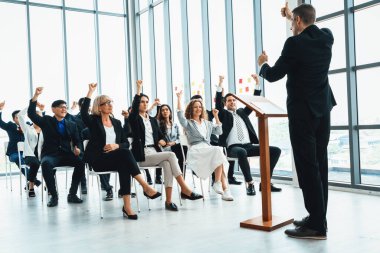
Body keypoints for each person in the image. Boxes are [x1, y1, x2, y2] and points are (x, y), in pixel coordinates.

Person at [258, 3, 336, 239]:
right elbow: (308, 25)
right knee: (319, 165)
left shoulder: (294, 43)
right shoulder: (326, 37)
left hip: (302, 113)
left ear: (299, 22)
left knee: (306, 166)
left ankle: (316, 227)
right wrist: (292, 15)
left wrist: (262, 63)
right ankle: (317, 217)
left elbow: (273, 75)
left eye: (293, 23)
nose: (291, 26)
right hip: (323, 110)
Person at [81, 83, 160, 220]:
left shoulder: (116, 122)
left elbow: (124, 143)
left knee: (124, 164)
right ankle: (145, 186)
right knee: (125, 156)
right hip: (99, 160)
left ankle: (127, 207)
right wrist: (90, 92)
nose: (110, 105)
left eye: (111, 102)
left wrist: (116, 146)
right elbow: (83, 113)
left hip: (115, 158)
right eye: (106, 103)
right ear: (99, 107)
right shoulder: (93, 121)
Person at [129, 80, 203, 212]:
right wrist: (138, 89)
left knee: (168, 165)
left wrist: (162, 140)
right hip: (142, 155)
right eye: (142, 101)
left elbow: (160, 135)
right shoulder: (134, 118)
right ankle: (184, 188)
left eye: (146, 101)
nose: (145, 104)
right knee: (171, 154)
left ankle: (168, 201)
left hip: (155, 152)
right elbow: (134, 109)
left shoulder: (152, 120)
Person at [215, 74, 282, 196]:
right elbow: (218, 106)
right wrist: (220, 86)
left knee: (275, 150)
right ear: (225, 103)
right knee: (241, 152)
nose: (232, 102)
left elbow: (252, 102)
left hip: (248, 146)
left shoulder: (242, 112)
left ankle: (265, 182)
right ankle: (250, 183)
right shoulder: (224, 114)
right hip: (233, 148)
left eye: (234, 100)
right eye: (229, 100)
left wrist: (257, 84)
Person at [28, 87, 85, 207]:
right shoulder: (46, 121)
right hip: (50, 154)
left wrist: (78, 148)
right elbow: (31, 114)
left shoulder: (71, 124)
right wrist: (35, 96)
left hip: (66, 154)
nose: (64, 109)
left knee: (80, 162)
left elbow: (77, 140)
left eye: (65, 107)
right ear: (53, 109)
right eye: (61, 107)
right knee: (46, 164)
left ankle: (72, 194)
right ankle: (54, 196)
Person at [176, 90, 233, 201]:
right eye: (195, 107)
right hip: (196, 151)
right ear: (191, 109)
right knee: (218, 152)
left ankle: (221, 186)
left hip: (207, 149)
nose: (198, 109)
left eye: (200, 107)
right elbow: (179, 115)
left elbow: (219, 131)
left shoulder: (207, 123)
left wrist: (216, 116)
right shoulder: (188, 123)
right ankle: (221, 186)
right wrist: (178, 98)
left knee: (218, 155)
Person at [17, 105, 45, 197]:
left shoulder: (46, 129)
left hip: (43, 155)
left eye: (40, 117)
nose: (38, 118)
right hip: (29, 156)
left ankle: (49, 184)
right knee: (35, 163)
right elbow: (20, 116)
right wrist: (31, 106)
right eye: (36, 116)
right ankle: (31, 186)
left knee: (51, 163)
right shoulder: (27, 128)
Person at [0, 102, 30, 181]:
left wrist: (42, 111)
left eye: (21, 117)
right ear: (14, 119)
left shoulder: (27, 125)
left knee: (32, 161)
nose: (20, 119)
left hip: (26, 152)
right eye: (17, 117)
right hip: (14, 153)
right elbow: (1, 123)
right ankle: (32, 180)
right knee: (19, 158)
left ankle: (30, 181)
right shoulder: (10, 126)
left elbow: (39, 123)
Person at [157, 104, 186, 172]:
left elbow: (179, 138)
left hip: (175, 146)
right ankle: (180, 174)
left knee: (183, 150)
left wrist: (174, 142)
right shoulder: (158, 124)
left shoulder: (175, 125)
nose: (165, 111)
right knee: (183, 150)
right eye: (163, 110)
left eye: (167, 109)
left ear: (170, 111)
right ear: (160, 113)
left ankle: (181, 174)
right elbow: (158, 138)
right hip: (165, 148)